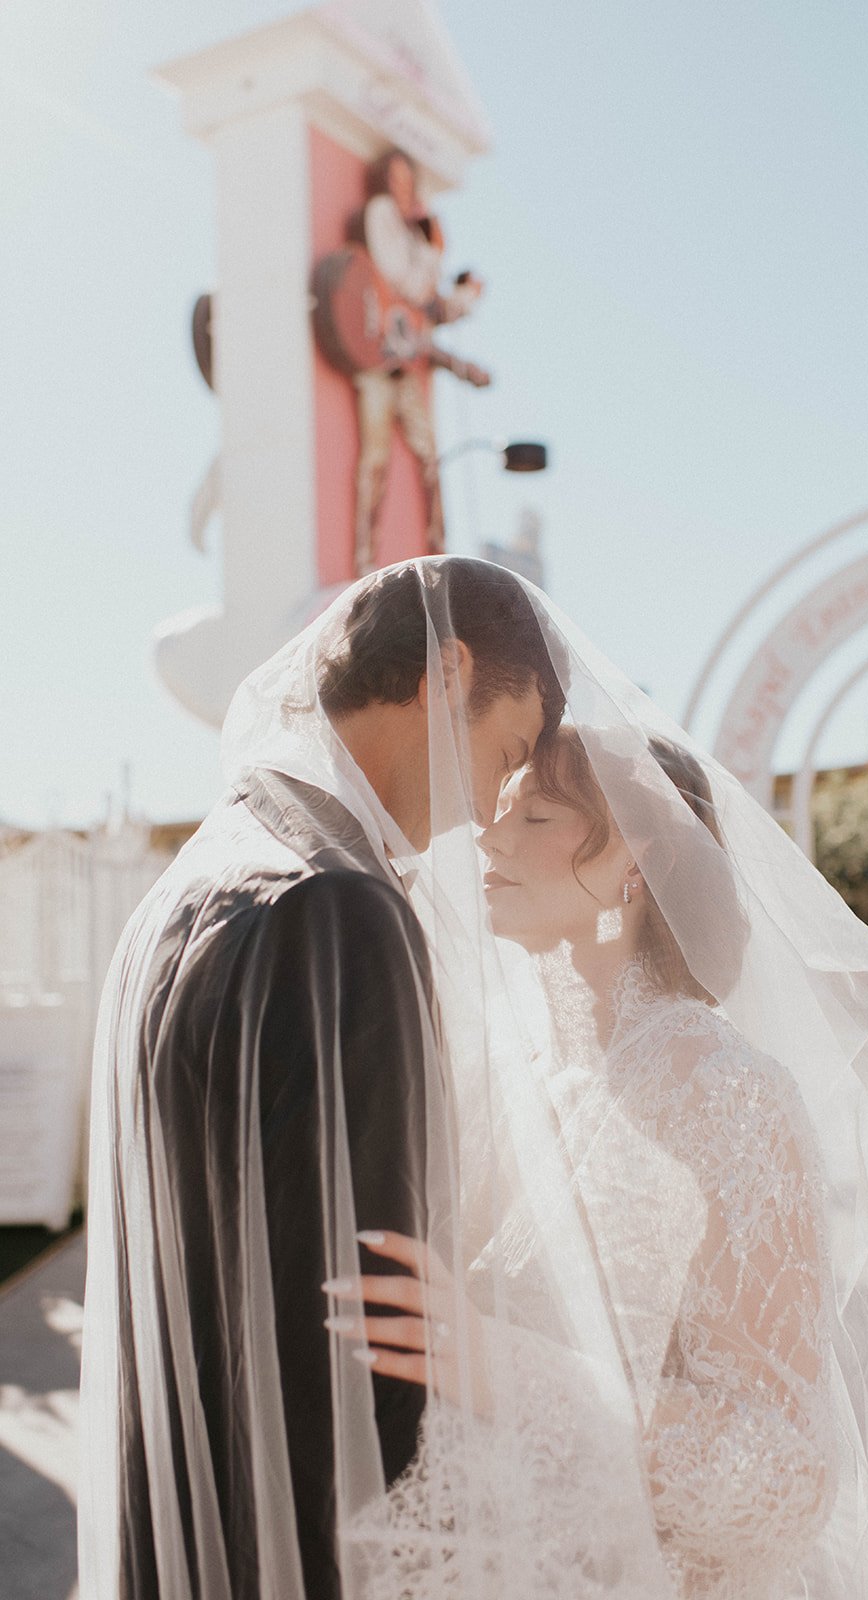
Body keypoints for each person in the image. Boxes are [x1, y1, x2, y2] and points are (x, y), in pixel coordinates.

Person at [325, 600, 868, 1600]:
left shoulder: (731, 1096)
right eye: (499, 808)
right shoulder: (512, 1067)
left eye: (538, 816)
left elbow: (782, 1477)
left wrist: (505, 1371)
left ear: (634, 866)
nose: (488, 839)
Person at [77, 558, 562, 1600]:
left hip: (167, 1515)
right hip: (295, 1545)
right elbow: (369, 1318)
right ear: (447, 668)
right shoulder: (344, 909)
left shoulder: (186, 886)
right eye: (504, 751)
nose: (487, 807)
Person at [347, 148, 484, 576]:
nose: (405, 191)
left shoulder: (410, 233)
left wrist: (462, 296)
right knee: (376, 456)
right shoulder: (383, 214)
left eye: (410, 182)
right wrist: (432, 252)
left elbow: (429, 302)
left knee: (428, 456)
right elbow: (406, 281)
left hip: (406, 359)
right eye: (398, 180)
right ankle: (364, 557)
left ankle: (437, 548)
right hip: (378, 355)